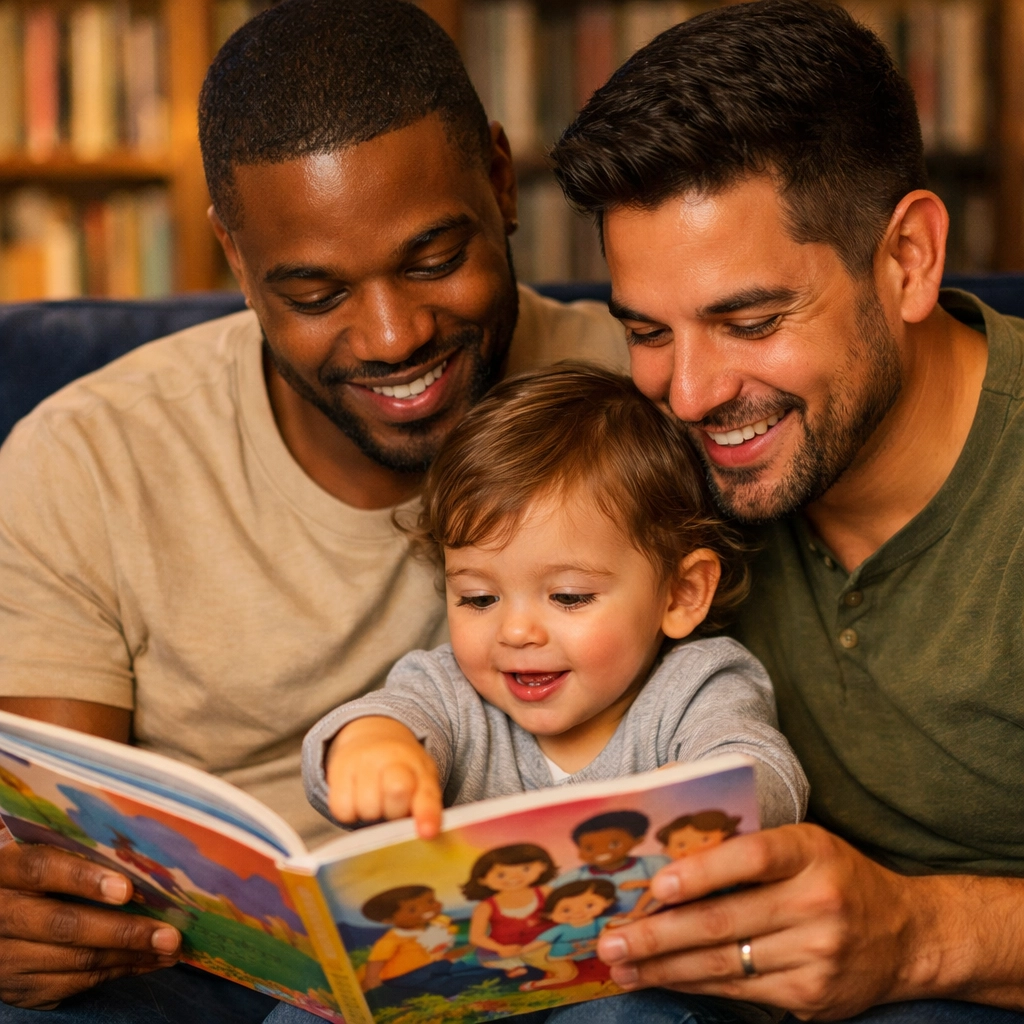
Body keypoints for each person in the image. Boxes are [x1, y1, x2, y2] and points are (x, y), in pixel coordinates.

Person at [0, 1, 627, 1019]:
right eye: (316, 293)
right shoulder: (89, 460)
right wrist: (29, 916)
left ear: (503, 182)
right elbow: (47, 848)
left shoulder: (642, 391)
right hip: (198, 970)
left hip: (539, 956)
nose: (391, 337)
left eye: (431, 260)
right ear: (236, 258)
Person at [549, 1, 1024, 1020]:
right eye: (645, 330)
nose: (688, 394)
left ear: (907, 258)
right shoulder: (643, 468)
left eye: (750, 321)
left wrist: (920, 936)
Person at [299, 364, 808, 1023]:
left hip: (642, 987)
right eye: (478, 597)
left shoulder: (698, 684)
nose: (514, 631)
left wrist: (696, 799)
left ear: (681, 595)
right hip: (475, 994)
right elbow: (387, 717)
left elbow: (769, 775)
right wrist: (370, 746)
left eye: (569, 596)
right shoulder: (453, 691)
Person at [553, 811, 668, 914]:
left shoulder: (651, 864)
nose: (602, 851)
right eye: (589, 848)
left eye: (614, 844)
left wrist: (641, 884)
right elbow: (550, 893)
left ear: (638, 840)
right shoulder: (577, 875)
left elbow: (668, 883)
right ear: (580, 853)